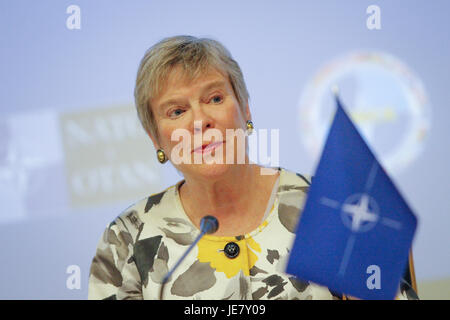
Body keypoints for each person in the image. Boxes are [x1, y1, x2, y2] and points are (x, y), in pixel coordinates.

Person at [87, 35, 418, 300]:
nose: (200, 121)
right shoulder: (127, 238)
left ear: (245, 109)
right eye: (176, 111)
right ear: (155, 138)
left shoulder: (331, 206)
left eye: (214, 98)